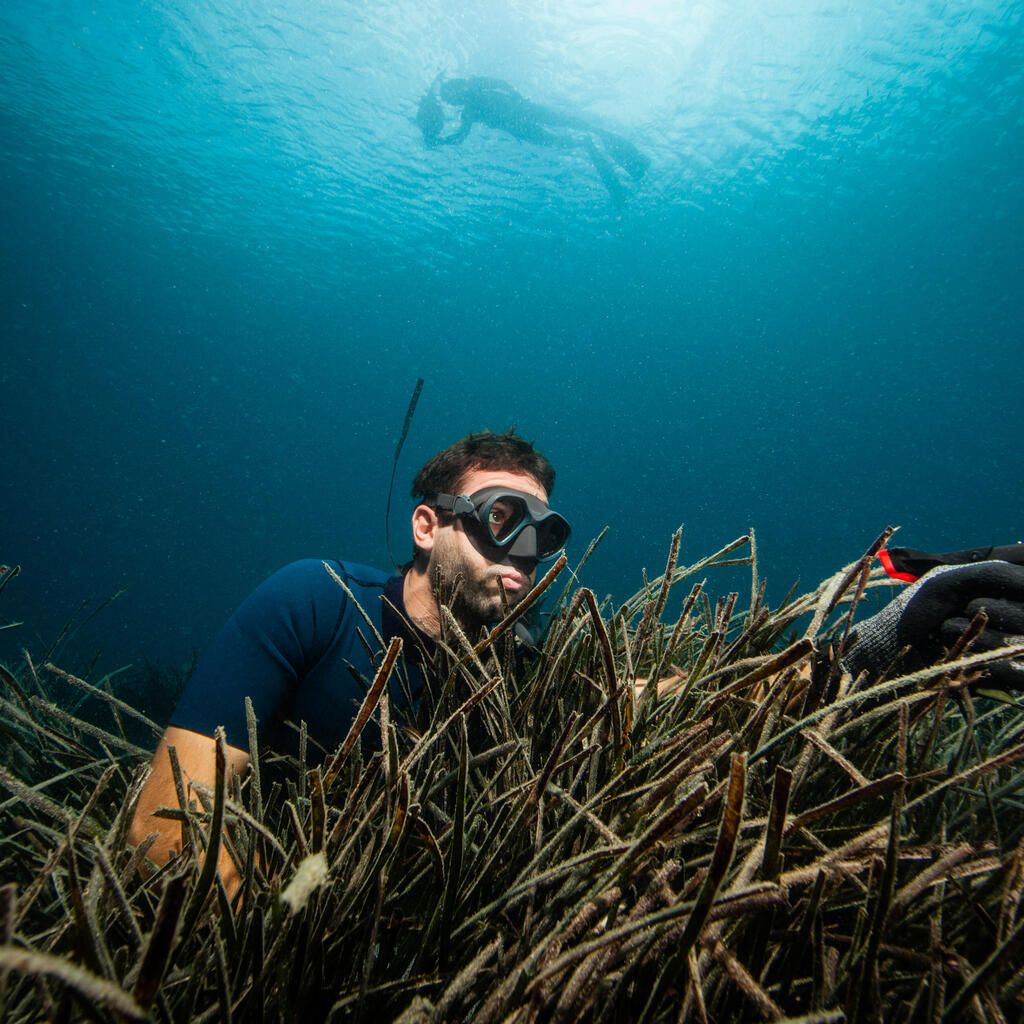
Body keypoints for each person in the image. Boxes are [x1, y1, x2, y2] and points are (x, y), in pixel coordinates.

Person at [128, 429, 571, 887]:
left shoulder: (520, 665)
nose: (523, 553)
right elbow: (165, 829)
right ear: (426, 527)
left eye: (542, 534)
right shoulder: (314, 603)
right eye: (499, 516)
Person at [417, 75, 650, 206]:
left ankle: (628, 161)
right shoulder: (470, 109)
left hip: (524, 117)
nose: (453, 101)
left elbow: (500, 83)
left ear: (458, 90)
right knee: (574, 133)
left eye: (452, 97)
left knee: (575, 128)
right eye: (450, 100)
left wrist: (439, 141)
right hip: (524, 123)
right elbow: (459, 137)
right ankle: (619, 161)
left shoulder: (474, 94)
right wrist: (440, 142)